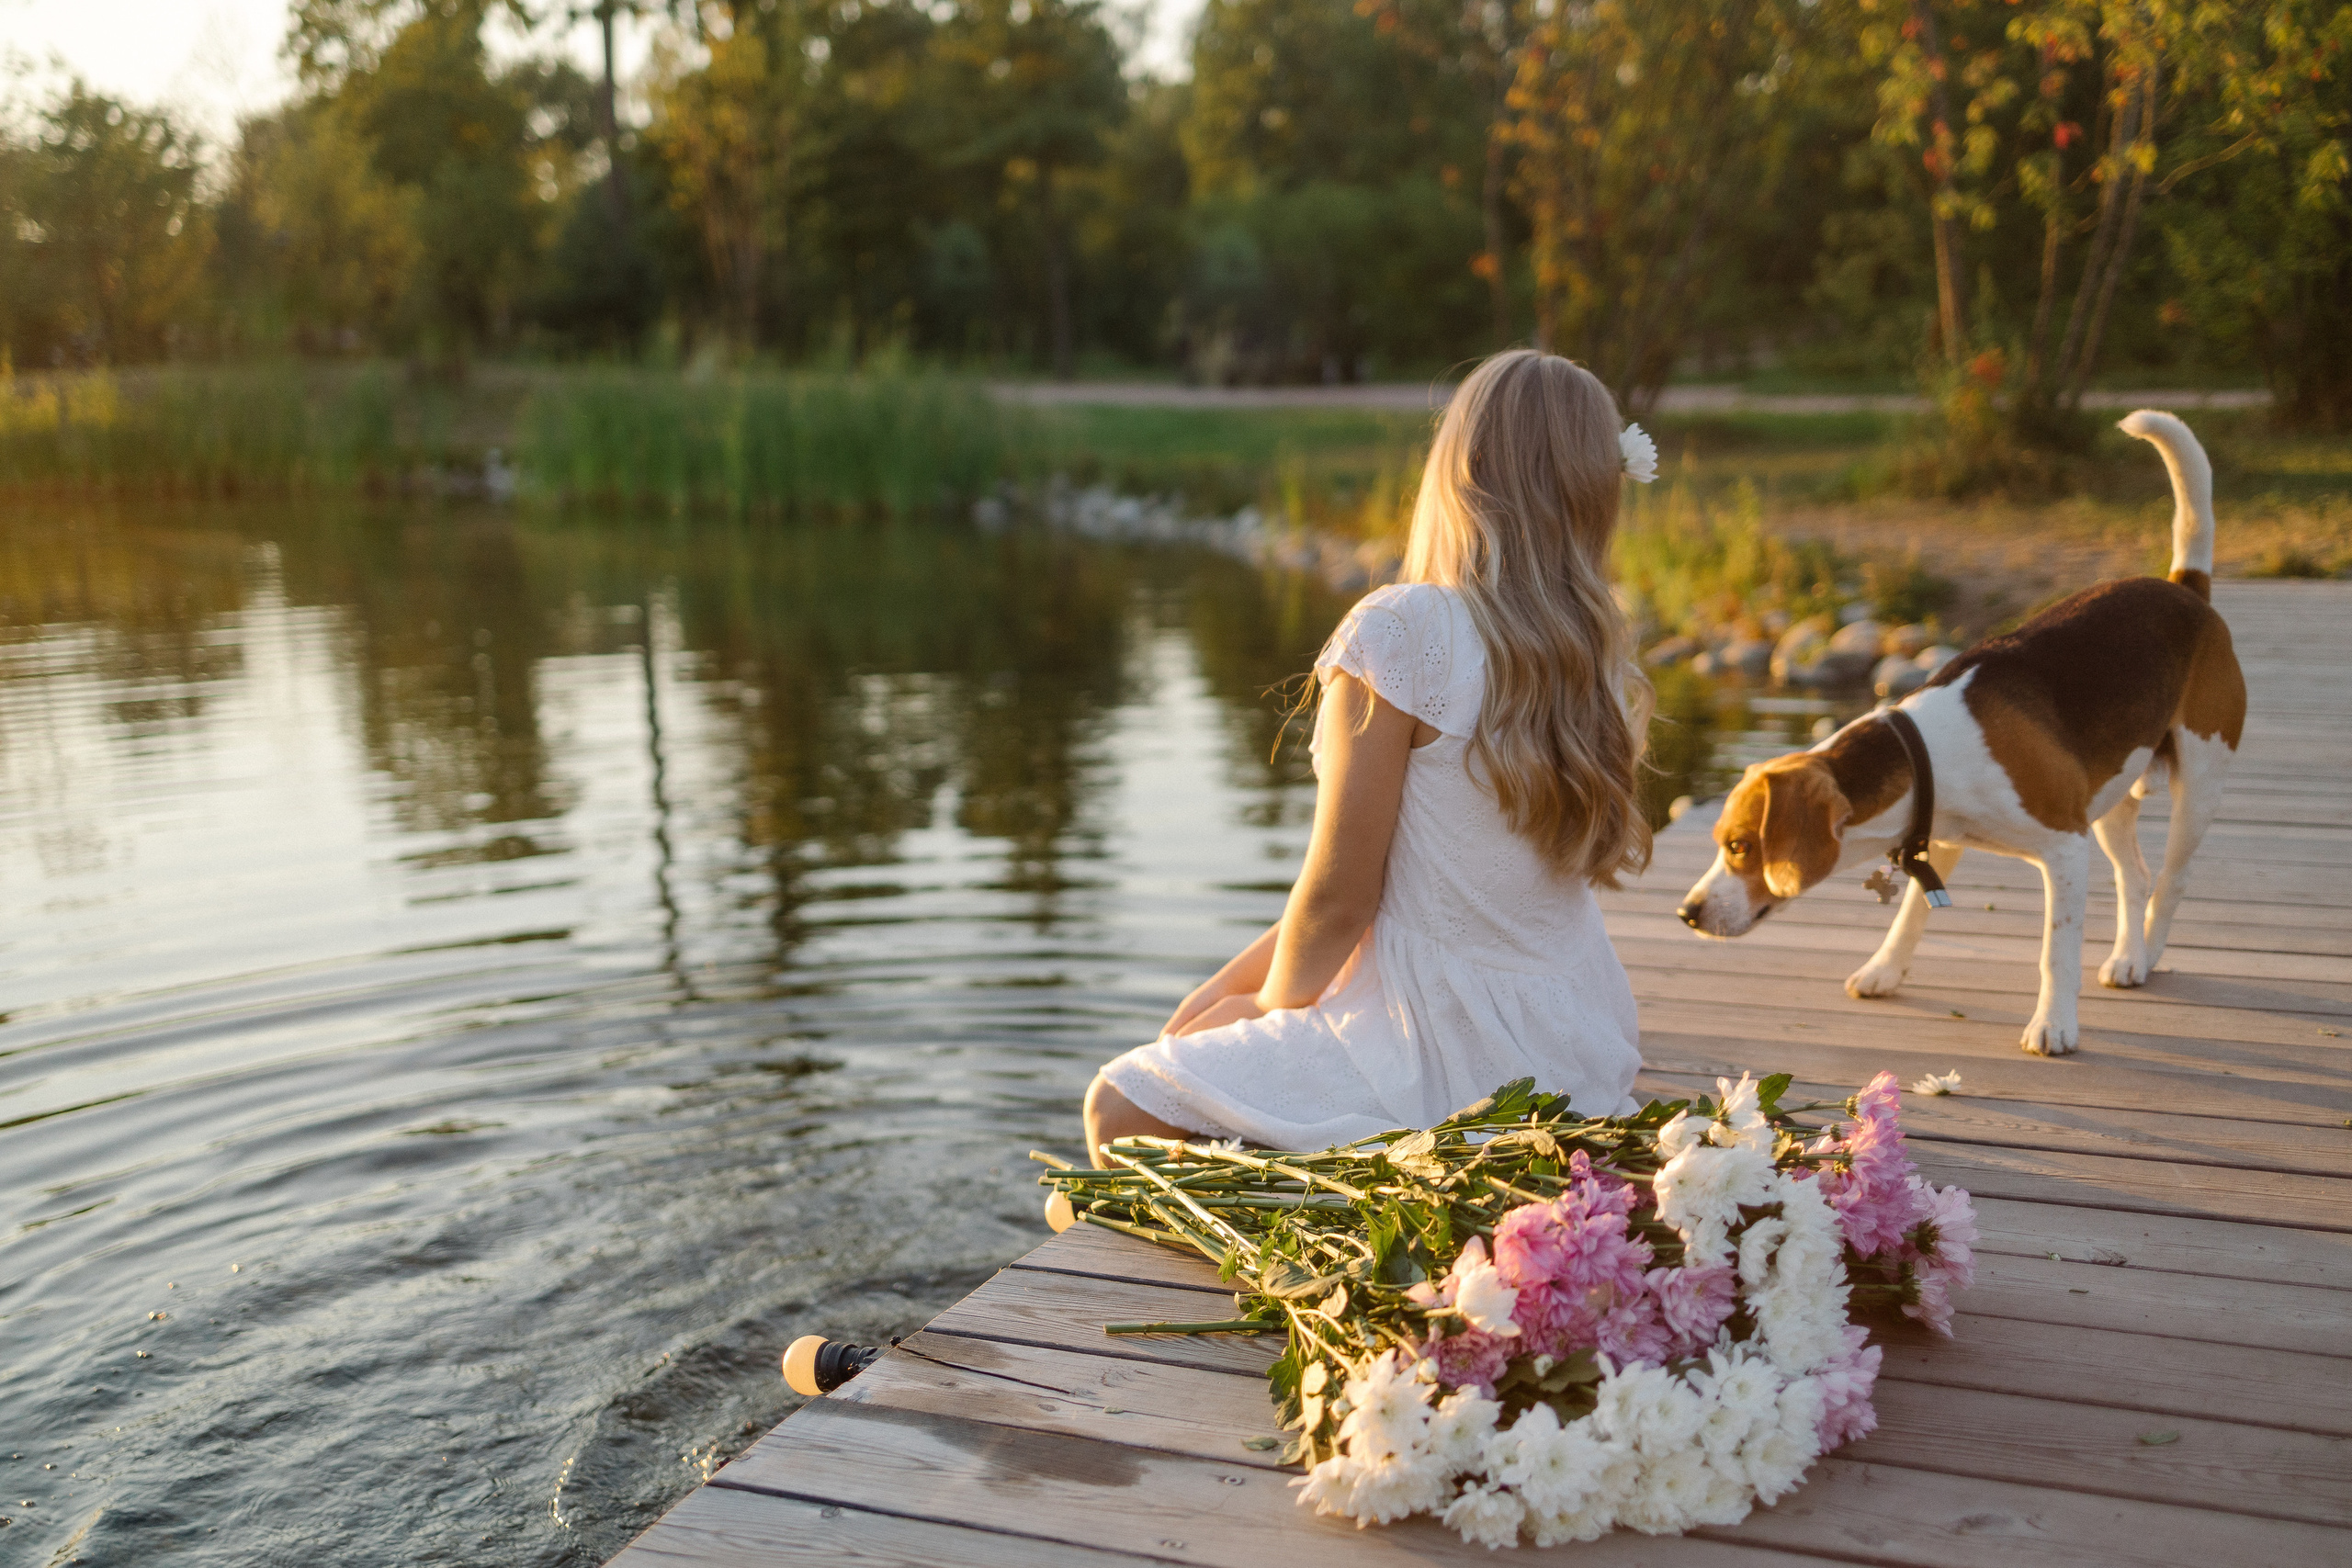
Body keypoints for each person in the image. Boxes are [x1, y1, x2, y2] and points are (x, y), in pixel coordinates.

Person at [1083, 349, 1659, 1166]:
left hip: (1443, 1050)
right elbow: (1385, 888)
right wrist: (1224, 988)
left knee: (1118, 1106)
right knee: (1195, 1031)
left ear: (1467, 470)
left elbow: (1341, 900)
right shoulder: (1596, 653)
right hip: (1575, 1041)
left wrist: (1266, 1008)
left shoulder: (1405, 630)